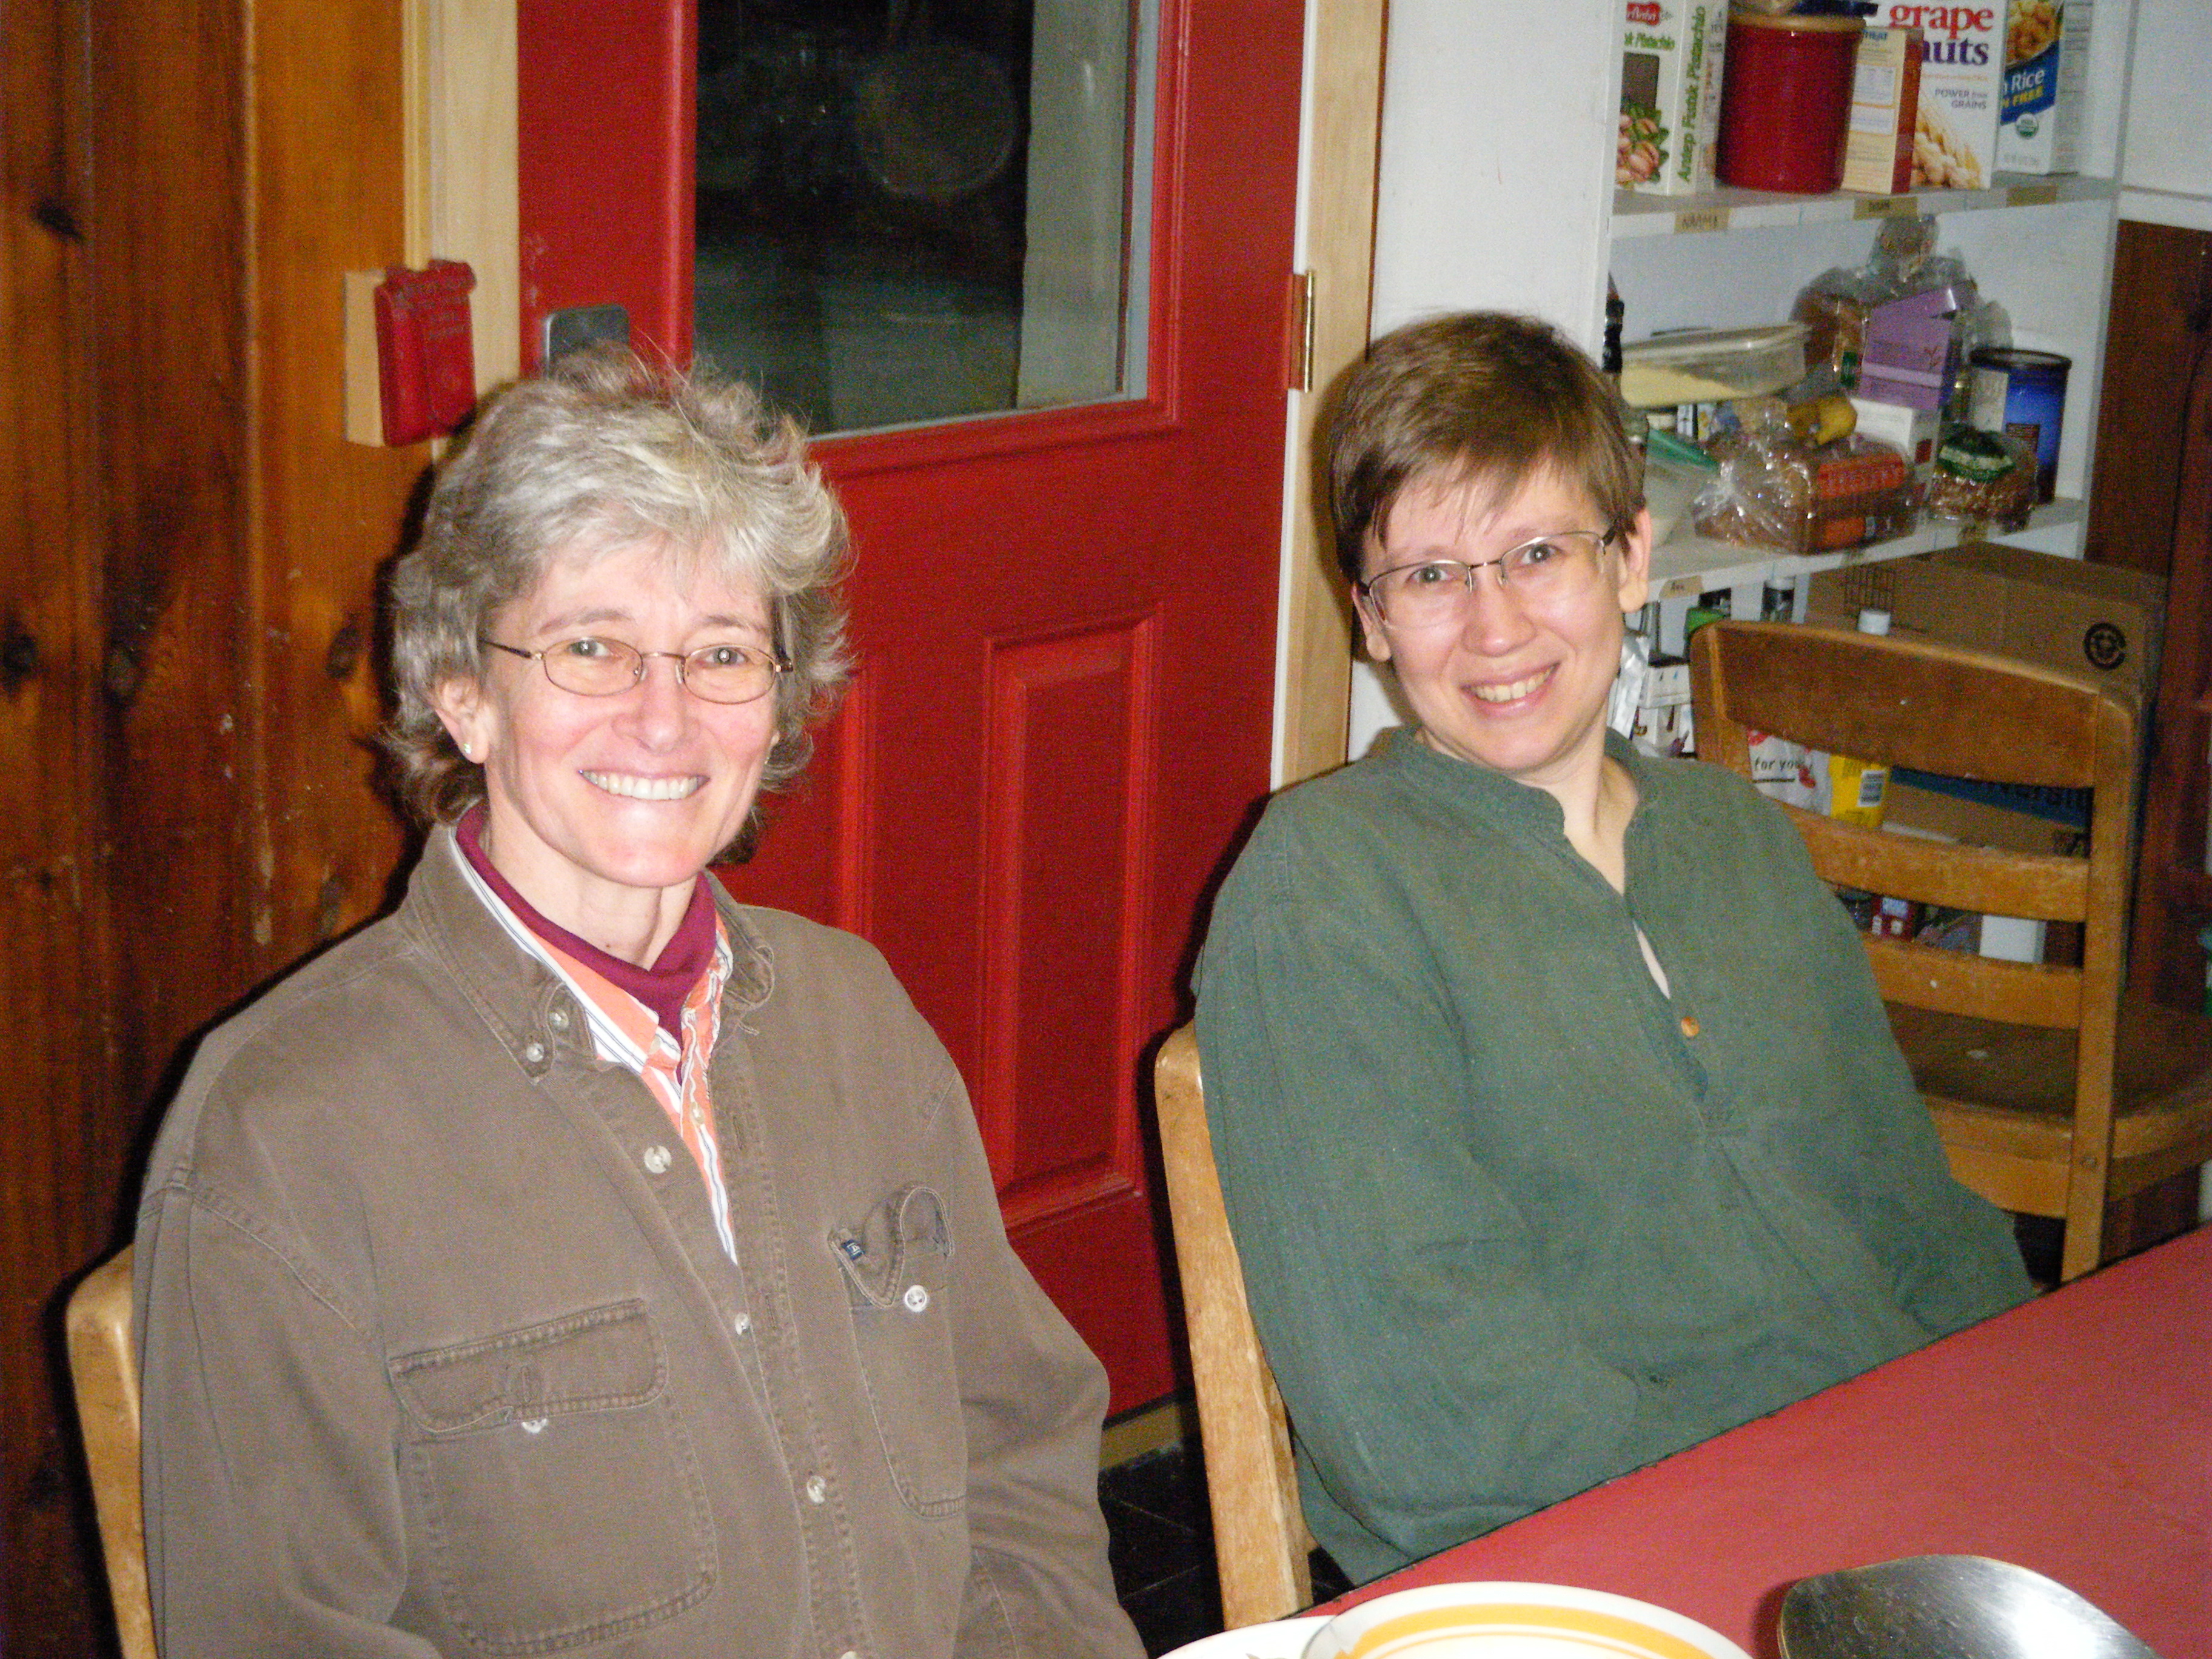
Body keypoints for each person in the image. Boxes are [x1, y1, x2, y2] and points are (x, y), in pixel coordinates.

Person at [134, 347, 1144, 1659]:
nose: (663, 720)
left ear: (779, 703)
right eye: (592, 647)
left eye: (721, 652)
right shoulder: (285, 1134)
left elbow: (1019, 1455)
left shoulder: (858, 1019)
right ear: (464, 696)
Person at [1193, 312, 2032, 1585]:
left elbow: (1909, 1213)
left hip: (1890, 1491)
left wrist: (2023, 1421)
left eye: (1540, 553)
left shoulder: (1733, 838)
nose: (1494, 626)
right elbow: (1432, 1408)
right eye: (1430, 576)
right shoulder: (1325, 895)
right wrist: (1800, 1526)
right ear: (1369, 620)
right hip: (1595, 1561)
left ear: (1632, 560)